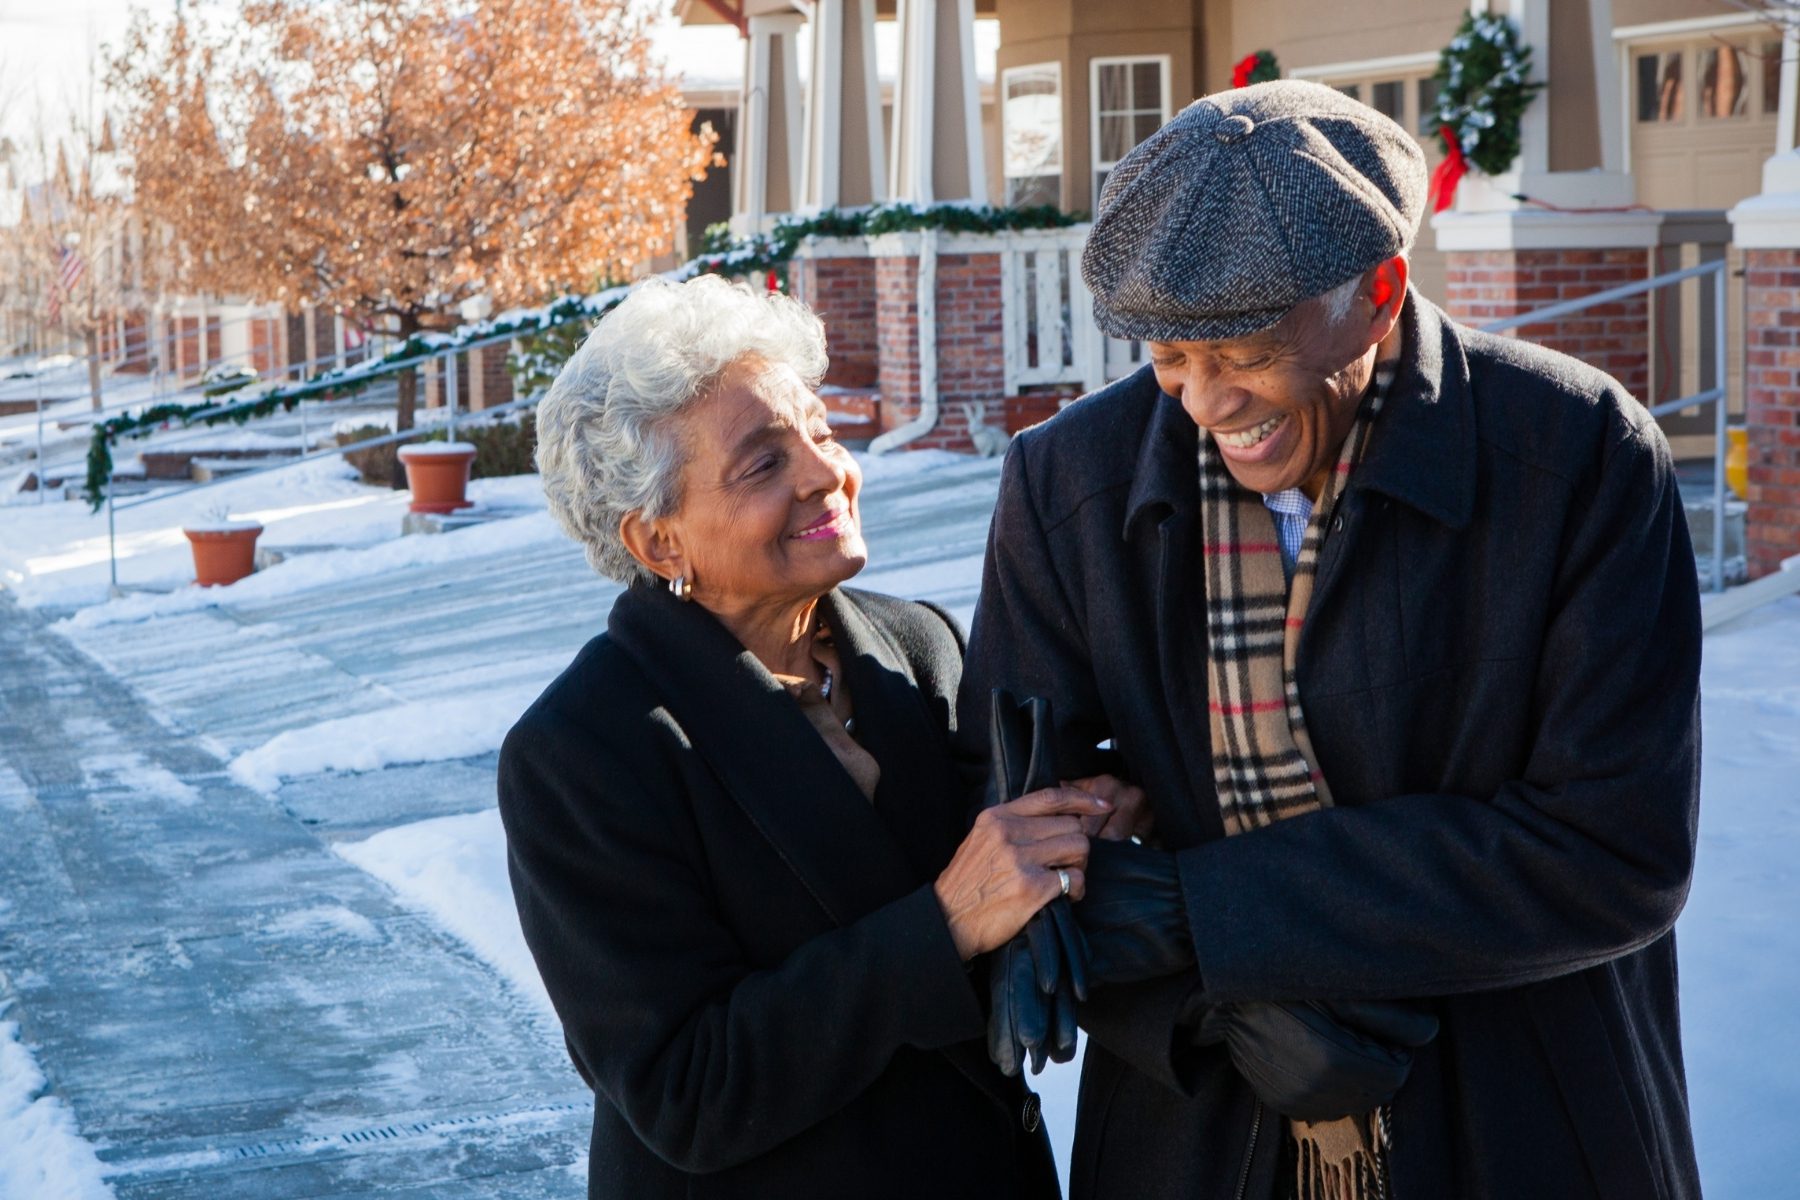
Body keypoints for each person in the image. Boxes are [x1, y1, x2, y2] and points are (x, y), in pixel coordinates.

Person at [960, 80, 1702, 1200]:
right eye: (1169, 356)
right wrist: (1201, 1001)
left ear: (1380, 291)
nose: (1206, 403)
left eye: (1247, 353)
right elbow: (1012, 828)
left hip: (1522, 1113)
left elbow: (1617, 852)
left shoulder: (1582, 455)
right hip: (1198, 1133)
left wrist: (1206, 913)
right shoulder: (1067, 484)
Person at [499, 274, 1136, 1199]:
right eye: (763, 463)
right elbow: (687, 1090)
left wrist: (1078, 830)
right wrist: (946, 920)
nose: (824, 472)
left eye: (823, 431)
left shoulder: (915, 647)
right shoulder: (582, 753)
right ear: (657, 543)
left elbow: (996, 913)